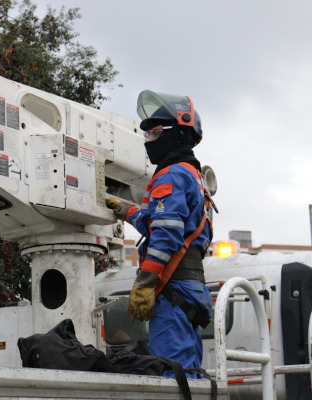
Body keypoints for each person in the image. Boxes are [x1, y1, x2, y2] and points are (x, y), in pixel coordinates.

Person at [107, 90, 215, 378]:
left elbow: (166, 235)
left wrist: (144, 283)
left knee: (172, 378)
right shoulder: (194, 177)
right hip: (191, 292)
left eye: (155, 133)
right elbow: (169, 226)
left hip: (172, 292)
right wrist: (126, 210)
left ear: (177, 134)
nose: (148, 141)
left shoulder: (171, 175)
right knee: (190, 377)